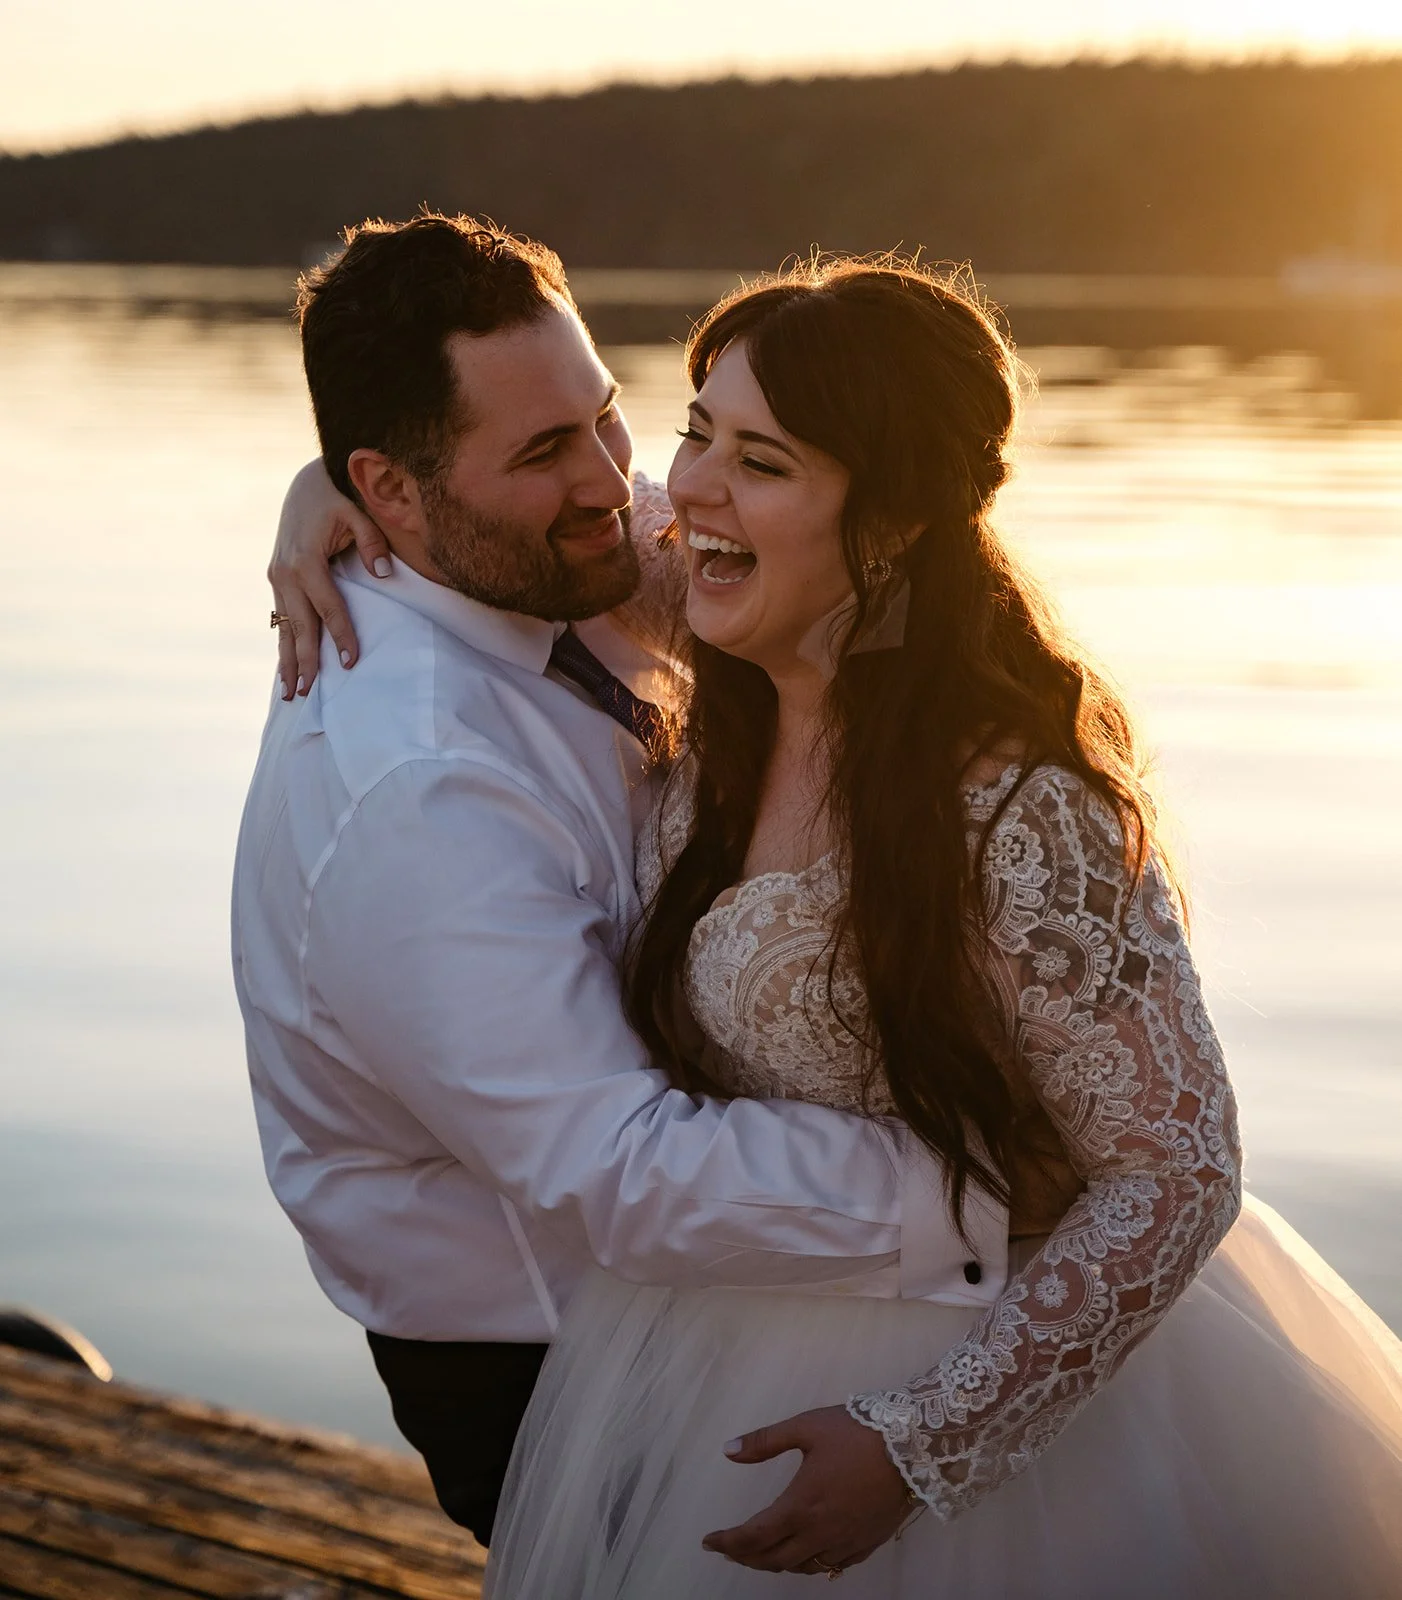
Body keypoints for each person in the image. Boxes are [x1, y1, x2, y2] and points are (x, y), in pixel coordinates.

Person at [271, 248, 1402, 1595]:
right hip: (702, 1355)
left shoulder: (1014, 801)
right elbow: (489, 505)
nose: (673, 489)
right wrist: (333, 490)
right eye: (693, 431)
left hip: (987, 1401)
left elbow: (1178, 1173)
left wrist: (925, 1444)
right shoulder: (702, 611)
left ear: (892, 520)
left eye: (760, 458)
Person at [233, 216, 1031, 1554]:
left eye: (605, 416)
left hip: (726, 1282)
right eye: (544, 451)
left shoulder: (550, 563)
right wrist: (996, 1196)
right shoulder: (415, 785)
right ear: (398, 494)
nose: (618, 481)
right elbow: (617, 1171)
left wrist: (318, 477)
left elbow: (787, 522)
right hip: (544, 1358)